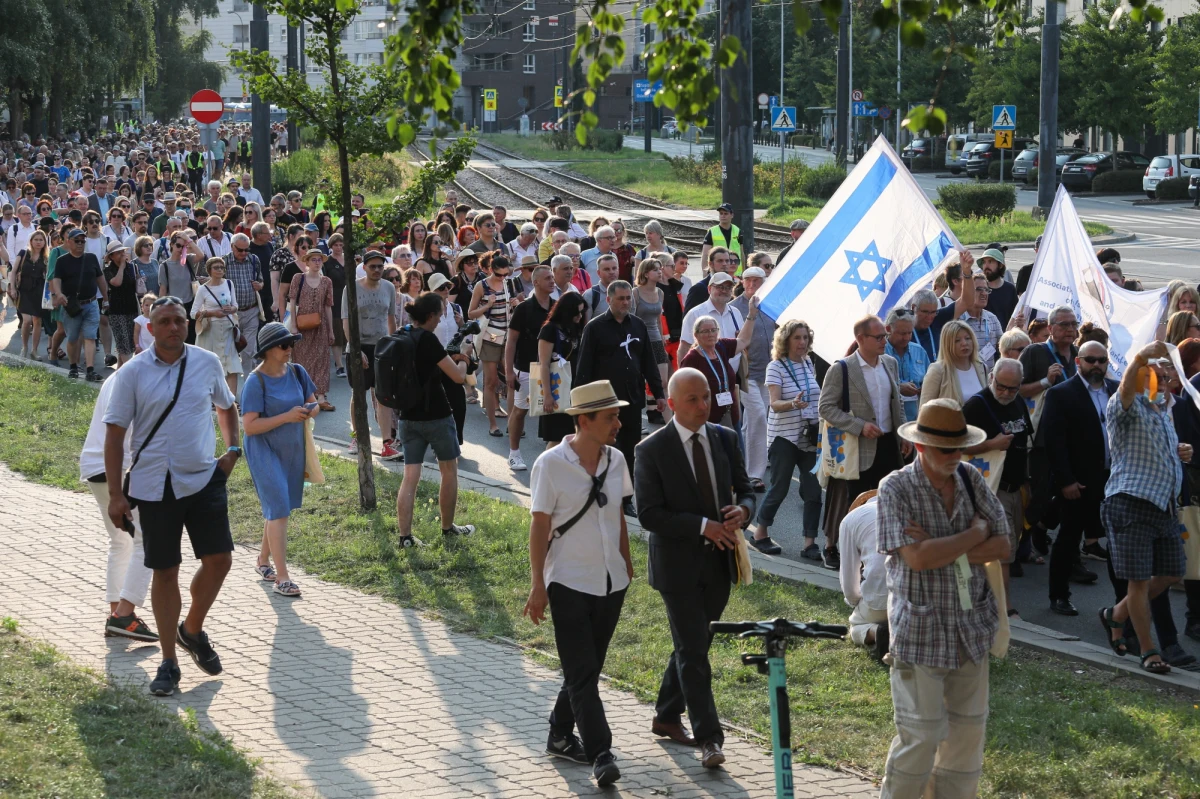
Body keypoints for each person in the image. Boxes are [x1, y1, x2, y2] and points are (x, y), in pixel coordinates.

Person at [103, 295, 241, 697]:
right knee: (165, 570)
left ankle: (192, 628)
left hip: (202, 478)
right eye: (164, 321)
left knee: (220, 560)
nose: (173, 327)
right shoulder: (133, 373)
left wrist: (233, 449)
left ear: (188, 323)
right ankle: (169, 660)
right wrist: (116, 495)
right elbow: (114, 435)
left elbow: (227, 406)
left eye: (179, 320)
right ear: (150, 327)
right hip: (153, 485)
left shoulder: (206, 362)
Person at [876, 398, 1011, 799]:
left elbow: (1004, 545)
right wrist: (972, 536)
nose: (955, 456)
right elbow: (916, 559)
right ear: (920, 447)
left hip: (971, 629)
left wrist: (940, 546)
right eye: (945, 449)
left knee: (967, 740)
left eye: (959, 447)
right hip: (920, 631)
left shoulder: (971, 478)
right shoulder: (895, 487)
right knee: (920, 737)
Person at [634, 367, 756, 769]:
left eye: (706, 397)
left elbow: (748, 487)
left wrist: (744, 510)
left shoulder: (725, 438)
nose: (703, 405)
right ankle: (709, 739)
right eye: (692, 399)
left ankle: (667, 715)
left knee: (694, 644)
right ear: (672, 404)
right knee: (693, 649)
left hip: (719, 565)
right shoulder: (651, 449)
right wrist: (703, 526)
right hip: (677, 567)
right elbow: (649, 514)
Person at [523, 381, 635, 787]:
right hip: (568, 581)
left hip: (611, 582)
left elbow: (618, 513)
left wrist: (625, 559)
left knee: (586, 668)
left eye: (617, 416)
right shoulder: (550, 465)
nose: (618, 424)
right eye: (610, 417)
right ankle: (601, 752)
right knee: (584, 671)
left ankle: (558, 732)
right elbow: (539, 527)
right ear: (583, 421)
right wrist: (538, 584)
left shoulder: (617, 461)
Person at [1099, 341, 1192, 674]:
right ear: (1140, 375)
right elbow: (1125, 387)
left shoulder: (1163, 410)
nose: (1162, 380)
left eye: (1166, 376)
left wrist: (1181, 451)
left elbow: (1160, 450)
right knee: (1138, 582)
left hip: (1164, 506)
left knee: (1172, 572)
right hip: (1130, 503)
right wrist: (1140, 357)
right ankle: (1149, 650)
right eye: (1155, 374)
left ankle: (1116, 615)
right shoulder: (1123, 404)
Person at [818, 315, 907, 570]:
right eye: (878, 337)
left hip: (888, 445)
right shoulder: (842, 368)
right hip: (855, 447)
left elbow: (896, 402)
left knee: (886, 499)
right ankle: (840, 551)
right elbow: (825, 407)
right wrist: (859, 426)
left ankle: (877, 554)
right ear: (860, 339)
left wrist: (901, 434)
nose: (884, 341)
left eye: (885, 336)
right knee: (853, 503)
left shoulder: (889, 363)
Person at [241, 322, 320, 598]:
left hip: (291, 448)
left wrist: (310, 410)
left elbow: (316, 402)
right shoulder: (255, 381)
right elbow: (249, 426)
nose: (290, 349)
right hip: (263, 448)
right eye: (285, 345)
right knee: (279, 508)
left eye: (291, 344)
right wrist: (288, 416)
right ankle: (282, 577)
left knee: (278, 507)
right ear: (268, 350)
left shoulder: (297, 371)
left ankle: (262, 561)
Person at [576, 280, 668, 516]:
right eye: (621, 298)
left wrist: (658, 393)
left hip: (631, 399)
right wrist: (581, 405)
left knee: (628, 450)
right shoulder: (595, 328)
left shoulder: (637, 325)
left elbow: (647, 361)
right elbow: (584, 367)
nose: (626, 302)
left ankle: (626, 498)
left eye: (629, 298)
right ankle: (595, 493)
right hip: (604, 402)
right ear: (609, 300)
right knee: (601, 449)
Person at [81, 368, 157, 643]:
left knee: (120, 543)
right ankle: (125, 615)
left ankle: (117, 617)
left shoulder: (119, 375)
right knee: (148, 542)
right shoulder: (138, 378)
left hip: (95, 465)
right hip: (118, 469)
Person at [1040, 340, 1116, 614]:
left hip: (1112, 480)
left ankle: (1121, 605)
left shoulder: (1116, 390)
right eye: (1091, 360)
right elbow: (1054, 442)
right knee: (1069, 539)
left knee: (1114, 542)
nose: (1096, 365)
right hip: (1078, 481)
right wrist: (1066, 481)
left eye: (1101, 360)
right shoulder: (1062, 393)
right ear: (1079, 361)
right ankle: (1058, 596)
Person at [393, 291, 474, 548]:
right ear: (429, 316)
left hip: (407, 415)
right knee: (449, 471)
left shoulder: (401, 334)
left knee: (410, 477)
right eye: (439, 314)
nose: (440, 319)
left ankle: (405, 537)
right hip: (437, 414)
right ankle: (447, 528)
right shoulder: (429, 340)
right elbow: (458, 377)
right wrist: (465, 357)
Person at [962, 358, 1031, 615]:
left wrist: (1026, 483)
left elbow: (1024, 443)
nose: (1005, 393)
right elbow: (954, 445)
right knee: (999, 548)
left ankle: (996, 603)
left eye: (1012, 389)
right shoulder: (977, 405)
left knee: (1007, 550)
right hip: (990, 487)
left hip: (1015, 487)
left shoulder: (1018, 402)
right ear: (991, 377)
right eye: (1001, 386)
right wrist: (989, 444)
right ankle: (1002, 606)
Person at [752, 319, 822, 558]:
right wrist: (793, 403)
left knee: (813, 489)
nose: (802, 343)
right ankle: (760, 533)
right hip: (784, 437)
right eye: (797, 338)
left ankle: (809, 543)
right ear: (786, 340)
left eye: (805, 338)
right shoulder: (776, 367)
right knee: (780, 487)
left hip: (808, 437)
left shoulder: (808, 363)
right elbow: (774, 403)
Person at [1020, 305, 1079, 557]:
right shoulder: (1035, 352)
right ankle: (1020, 543)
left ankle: (1044, 531)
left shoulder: (1080, 356)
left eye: (1073, 324)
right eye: (1063, 324)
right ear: (1051, 328)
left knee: (1073, 492)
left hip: (1073, 437)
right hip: (1042, 435)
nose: (1070, 329)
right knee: (1040, 494)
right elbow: (1015, 391)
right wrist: (1045, 381)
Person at [343, 250, 398, 458]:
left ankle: (386, 443)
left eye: (380, 266)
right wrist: (355, 349)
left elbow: (391, 319)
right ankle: (357, 437)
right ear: (364, 267)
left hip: (382, 346)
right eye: (372, 266)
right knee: (359, 394)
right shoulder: (352, 287)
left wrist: (394, 347)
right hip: (358, 346)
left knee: (383, 396)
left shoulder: (389, 288)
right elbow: (346, 322)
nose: (377, 270)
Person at [505, 265, 556, 471]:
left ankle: (550, 454)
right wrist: (509, 371)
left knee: (552, 411)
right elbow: (511, 341)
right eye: (547, 279)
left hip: (550, 368)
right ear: (535, 283)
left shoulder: (556, 306)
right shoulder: (524, 308)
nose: (552, 281)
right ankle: (514, 453)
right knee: (520, 411)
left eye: (553, 278)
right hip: (526, 368)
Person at [468, 252, 518, 437]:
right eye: (499, 274)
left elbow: (514, 309)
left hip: (508, 337)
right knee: (490, 382)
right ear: (490, 270)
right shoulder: (481, 286)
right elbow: (471, 313)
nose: (503, 278)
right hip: (490, 337)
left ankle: (513, 423)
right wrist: (487, 305)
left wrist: (515, 303)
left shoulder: (509, 284)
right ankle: (492, 424)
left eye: (506, 274)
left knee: (512, 380)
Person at [51, 227, 110, 382]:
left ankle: (90, 370)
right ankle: (73, 367)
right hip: (72, 306)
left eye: (83, 241)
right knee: (72, 338)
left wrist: (105, 298)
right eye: (76, 241)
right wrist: (59, 294)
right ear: (68, 242)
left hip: (91, 304)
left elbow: (100, 279)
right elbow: (56, 280)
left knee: (90, 337)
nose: (80, 244)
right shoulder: (61, 261)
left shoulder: (91, 258)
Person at [680, 310, 756, 428]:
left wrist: (751, 315)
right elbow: (683, 392)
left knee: (736, 447)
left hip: (731, 416)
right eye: (705, 331)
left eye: (713, 330)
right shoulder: (692, 359)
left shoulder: (721, 346)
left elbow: (744, 341)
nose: (710, 334)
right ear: (696, 335)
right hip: (707, 420)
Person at [535, 292, 588, 447]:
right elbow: (543, 364)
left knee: (573, 436)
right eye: (576, 312)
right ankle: (543, 470)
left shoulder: (575, 329)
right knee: (557, 438)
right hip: (556, 388)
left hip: (573, 388)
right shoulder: (549, 330)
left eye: (582, 312)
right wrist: (547, 395)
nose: (579, 316)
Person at [838, 490, 886, 658]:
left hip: (881, 599)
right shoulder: (913, 509)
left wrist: (855, 603)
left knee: (855, 626)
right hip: (922, 599)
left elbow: (850, 589)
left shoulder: (851, 520)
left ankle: (877, 631)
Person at [288, 249, 335, 411]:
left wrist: (331, 330)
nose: (316, 263)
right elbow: (292, 302)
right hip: (302, 323)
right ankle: (304, 395)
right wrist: (293, 325)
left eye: (319, 260)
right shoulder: (298, 278)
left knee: (322, 359)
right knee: (301, 359)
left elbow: (328, 306)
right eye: (313, 260)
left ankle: (321, 397)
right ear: (306, 262)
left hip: (321, 325)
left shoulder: (327, 281)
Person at [191, 256, 244, 397]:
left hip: (228, 328)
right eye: (216, 267)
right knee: (213, 365)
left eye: (222, 267)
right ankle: (214, 398)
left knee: (232, 365)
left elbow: (236, 306)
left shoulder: (228, 284)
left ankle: (231, 399)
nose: (220, 270)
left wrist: (231, 309)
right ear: (209, 270)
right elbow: (193, 313)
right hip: (211, 330)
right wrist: (212, 313)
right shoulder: (203, 289)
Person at [632, 258, 672, 423]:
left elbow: (658, 319)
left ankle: (663, 415)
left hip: (655, 340)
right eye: (656, 269)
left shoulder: (660, 292)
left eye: (660, 269)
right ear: (646, 273)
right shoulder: (635, 292)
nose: (660, 272)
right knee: (639, 380)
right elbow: (632, 318)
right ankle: (649, 412)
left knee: (662, 381)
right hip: (640, 340)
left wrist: (662, 338)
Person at [920, 321, 987, 407]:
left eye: (967, 338)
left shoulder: (981, 367)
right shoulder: (937, 370)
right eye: (957, 340)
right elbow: (925, 410)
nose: (964, 343)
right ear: (947, 344)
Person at [12, 228, 49, 360]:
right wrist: (13, 289)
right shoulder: (23, 253)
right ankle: (25, 347)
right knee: (26, 321)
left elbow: (48, 276)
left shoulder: (46, 257)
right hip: (24, 290)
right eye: (36, 240)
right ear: (31, 241)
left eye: (41, 240)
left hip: (39, 292)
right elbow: (14, 271)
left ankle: (34, 350)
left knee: (37, 321)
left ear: (45, 242)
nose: (38, 242)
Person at [102, 241, 138, 367]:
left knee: (130, 344)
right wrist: (122, 266)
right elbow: (116, 282)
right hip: (117, 311)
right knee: (123, 345)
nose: (122, 255)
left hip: (132, 308)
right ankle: (131, 372)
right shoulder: (108, 270)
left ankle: (119, 373)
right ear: (111, 256)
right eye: (118, 253)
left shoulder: (132, 267)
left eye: (122, 251)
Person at [700, 203, 743, 274]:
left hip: (736, 273)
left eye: (725, 214)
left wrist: (743, 272)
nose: (723, 216)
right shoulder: (712, 231)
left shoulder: (737, 231)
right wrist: (705, 272)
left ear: (732, 215)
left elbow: (742, 253)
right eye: (721, 214)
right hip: (719, 272)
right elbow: (705, 254)